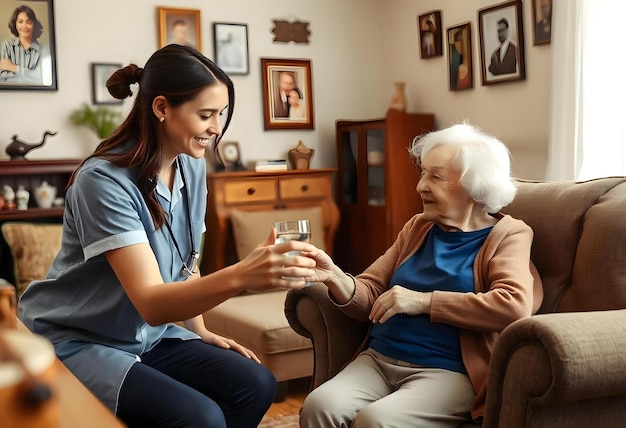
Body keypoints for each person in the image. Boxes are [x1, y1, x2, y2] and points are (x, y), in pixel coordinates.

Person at [17, 44, 317, 428]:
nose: (216, 128)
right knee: (201, 418)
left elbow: (185, 263)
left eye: (220, 114)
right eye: (205, 115)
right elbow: (152, 303)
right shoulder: (103, 182)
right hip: (82, 340)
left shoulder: (191, 168)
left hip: (147, 336)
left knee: (255, 383)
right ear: (161, 108)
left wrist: (201, 330)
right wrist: (243, 274)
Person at [297, 122, 544, 427]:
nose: (420, 185)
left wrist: (423, 301)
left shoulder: (508, 235)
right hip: (378, 360)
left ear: (475, 185)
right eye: (423, 173)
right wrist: (336, 277)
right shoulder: (418, 227)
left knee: (376, 422)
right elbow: (371, 292)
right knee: (319, 406)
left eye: (436, 176)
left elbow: (514, 304)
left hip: (448, 371)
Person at [0, 5, 49, 84]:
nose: (24, 26)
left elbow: (43, 78)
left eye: (29, 22)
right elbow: (2, 78)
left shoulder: (44, 50)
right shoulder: (7, 45)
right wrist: (31, 76)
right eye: (20, 22)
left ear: (34, 25)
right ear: (15, 24)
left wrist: (13, 68)